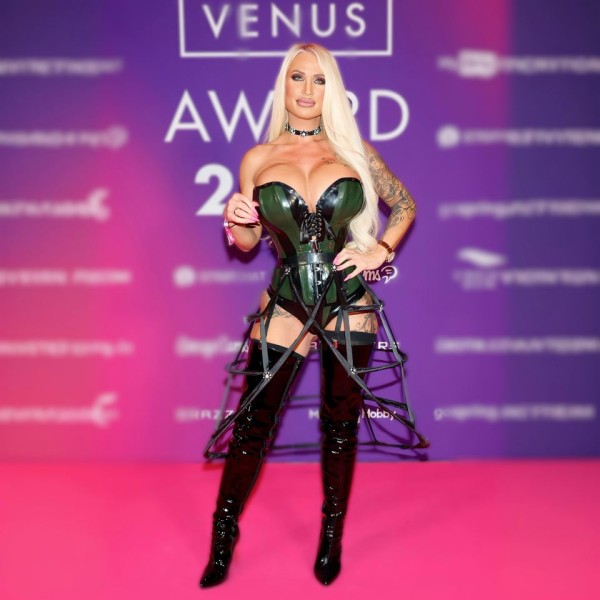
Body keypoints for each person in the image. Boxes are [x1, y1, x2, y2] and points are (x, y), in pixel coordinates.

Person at [199, 42, 429, 588]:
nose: (307, 90)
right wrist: (236, 218)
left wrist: (380, 250)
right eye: (297, 78)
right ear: (284, 85)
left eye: (319, 80)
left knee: (341, 425)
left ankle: (332, 537)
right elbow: (248, 242)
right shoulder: (257, 158)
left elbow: (405, 204)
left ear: (332, 89)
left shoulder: (354, 151)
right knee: (253, 423)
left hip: (349, 302)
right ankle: (222, 539)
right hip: (285, 300)